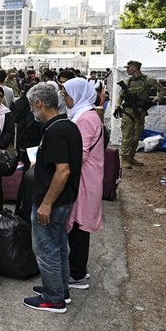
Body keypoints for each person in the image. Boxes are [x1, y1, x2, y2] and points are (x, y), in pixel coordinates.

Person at [22, 83, 83, 314]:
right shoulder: (67, 126)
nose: (30, 111)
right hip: (63, 200)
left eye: (31, 105)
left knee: (46, 249)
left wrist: (46, 203)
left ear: (39, 103)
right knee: (58, 247)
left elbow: (63, 170)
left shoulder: (56, 130)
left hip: (53, 202)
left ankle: (53, 298)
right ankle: (60, 289)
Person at [60, 78, 105, 291]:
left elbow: (79, 152)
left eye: (66, 94)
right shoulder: (85, 114)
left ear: (77, 94)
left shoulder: (85, 119)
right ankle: (78, 268)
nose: (64, 98)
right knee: (78, 224)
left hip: (85, 179)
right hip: (87, 177)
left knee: (78, 225)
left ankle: (77, 275)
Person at [116, 60, 166, 167]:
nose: (127, 69)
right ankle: (124, 158)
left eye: (129, 67)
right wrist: (117, 107)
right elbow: (120, 96)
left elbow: (162, 91)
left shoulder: (148, 80)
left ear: (134, 68)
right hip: (128, 112)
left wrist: (154, 100)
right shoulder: (127, 82)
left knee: (135, 137)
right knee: (126, 136)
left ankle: (131, 157)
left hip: (140, 112)